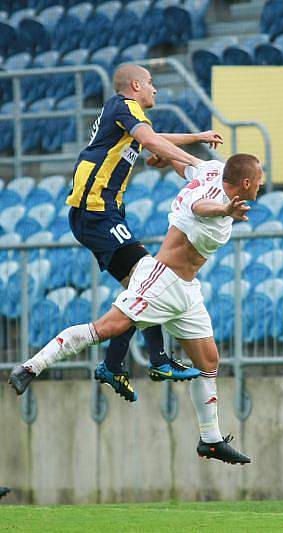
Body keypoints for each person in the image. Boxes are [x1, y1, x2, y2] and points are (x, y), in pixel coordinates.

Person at [9, 153, 262, 465]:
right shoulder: (215, 197)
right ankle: (31, 367)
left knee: (209, 360)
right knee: (108, 328)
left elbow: (181, 160)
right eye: (259, 183)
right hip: (160, 279)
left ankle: (210, 439)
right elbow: (200, 207)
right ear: (246, 183)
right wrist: (225, 210)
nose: (261, 188)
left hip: (186, 291)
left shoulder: (211, 169)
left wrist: (168, 153)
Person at [67, 62, 224, 402]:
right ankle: (151, 360)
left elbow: (154, 140)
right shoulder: (124, 106)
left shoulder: (125, 116)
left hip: (99, 213)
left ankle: (125, 363)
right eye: (151, 83)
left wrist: (195, 138)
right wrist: (199, 165)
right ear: (135, 85)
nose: (155, 89)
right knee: (147, 277)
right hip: (95, 210)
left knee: (141, 289)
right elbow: (151, 140)